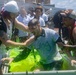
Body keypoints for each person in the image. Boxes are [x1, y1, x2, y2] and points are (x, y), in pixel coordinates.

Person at [0, 1, 29, 75]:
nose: (16, 16)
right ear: (7, 13)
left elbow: (25, 28)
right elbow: (7, 42)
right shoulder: (0, 22)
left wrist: (37, 30)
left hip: (3, 50)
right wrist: (24, 44)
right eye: (14, 14)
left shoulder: (12, 19)